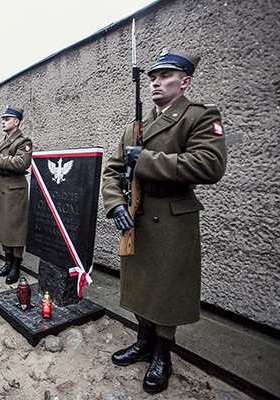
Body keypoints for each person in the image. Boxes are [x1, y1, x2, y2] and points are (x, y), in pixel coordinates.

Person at [101, 48, 227, 394]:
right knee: (140, 285)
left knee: (167, 290)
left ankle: (162, 355)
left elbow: (210, 165)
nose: (156, 82)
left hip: (172, 217)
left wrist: (147, 159)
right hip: (137, 216)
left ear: (185, 82)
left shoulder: (199, 116)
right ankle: (143, 340)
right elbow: (112, 171)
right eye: (154, 77)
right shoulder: (135, 127)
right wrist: (114, 205)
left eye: (166, 76)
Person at [0, 106, 33, 284]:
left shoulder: (23, 141)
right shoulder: (2, 142)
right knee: (4, 228)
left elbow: (22, 163)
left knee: (16, 230)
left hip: (15, 190)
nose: (3, 121)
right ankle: (7, 262)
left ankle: (16, 266)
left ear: (17, 121)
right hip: (1, 189)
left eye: (7, 119)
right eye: (2, 119)